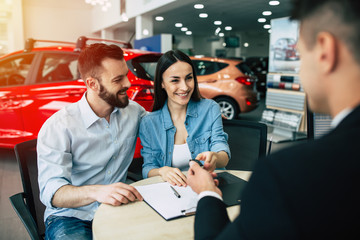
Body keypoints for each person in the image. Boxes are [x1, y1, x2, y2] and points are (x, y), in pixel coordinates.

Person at [187, 0, 360, 239]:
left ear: (324, 51)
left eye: (299, 55)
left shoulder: (290, 176)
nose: (299, 71)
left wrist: (207, 193)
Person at [37, 43, 146, 240]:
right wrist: (97, 192)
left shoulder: (134, 112)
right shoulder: (59, 126)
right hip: (71, 218)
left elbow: (166, 132)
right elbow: (51, 193)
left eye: (126, 75)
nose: (128, 84)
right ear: (92, 84)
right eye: (118, 79)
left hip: (118, 210)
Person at [139, 50, 230, 186]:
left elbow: (223, 153)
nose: (185, 87)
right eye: (175, 80)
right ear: (162, 83)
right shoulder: (149, 123)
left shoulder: (210, 108)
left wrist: (215, 157)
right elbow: (148, 168)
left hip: (210, 187)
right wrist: (162, 171)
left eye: (189, 78)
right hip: (174, 193)